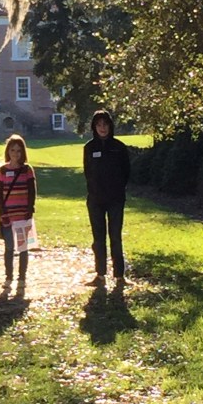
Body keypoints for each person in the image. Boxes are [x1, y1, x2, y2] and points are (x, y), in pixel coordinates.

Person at [83, 109, 130, 290]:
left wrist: (117, 188)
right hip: (96, 199)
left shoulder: (119, 147)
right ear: (94, 127)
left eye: (105, 124)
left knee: (115, 237)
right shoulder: (89, 148)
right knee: (98, 238)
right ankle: (100, 274)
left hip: (116, 199)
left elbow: (126, 172)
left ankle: (119, 275)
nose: (102, 128)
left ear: (110, 126)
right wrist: (95, 190)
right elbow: (88, 172)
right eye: (99, 125)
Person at [0, 134, 37, 290]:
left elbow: (32, 191)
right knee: (9, 248)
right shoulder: (2, 170)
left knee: (23, 248)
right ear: (8, 151)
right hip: (8, 214)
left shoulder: (27, 170)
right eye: (13, 150)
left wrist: (30, 209)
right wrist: (2, 212)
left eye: (19, 151)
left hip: (23, 214)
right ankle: (8, 277)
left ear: (23, 152)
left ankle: (22, 277)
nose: (15, 154)